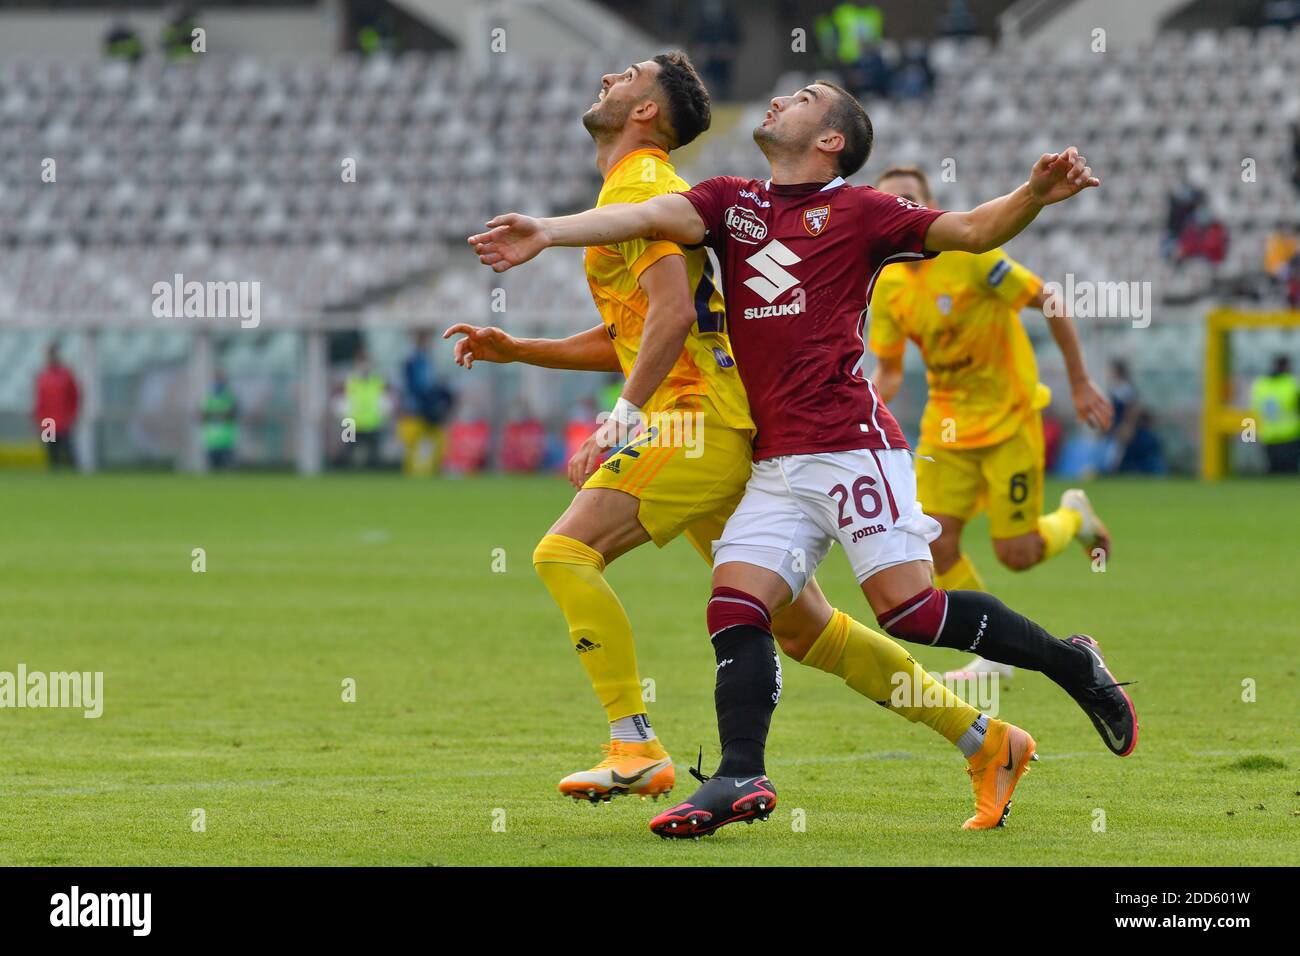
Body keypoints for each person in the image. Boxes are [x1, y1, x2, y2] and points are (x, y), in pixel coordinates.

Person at [472, 79, 1138, 838]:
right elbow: (651, 217)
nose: (783, 98)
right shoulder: (731, 201)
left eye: (807, 96)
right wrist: (548, 231)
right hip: (772, 461)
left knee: (914, 612)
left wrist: (1034, 192)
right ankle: (738, 775)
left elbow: (975, 231)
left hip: (850, 444)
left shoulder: (862, 211)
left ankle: (1069, 662)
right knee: (735, 606)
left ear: (832, 141)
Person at [869, 166, 1114, 681]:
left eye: (911, 199)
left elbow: (1047, 299)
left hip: (1009, 418)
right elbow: (890, 370)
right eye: (891, 202)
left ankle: (1073, 515)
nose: (902, 208)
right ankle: (993, 657)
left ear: (929, 206)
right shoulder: (887, 286)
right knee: (937, 540)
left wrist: (1080, 381)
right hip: (948, 425)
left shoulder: (972, 257)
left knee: (1017, 554)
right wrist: (859, 400)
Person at [397, 330, 455, 476]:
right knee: (417, 446)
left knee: (435, 444)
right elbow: (417, 387)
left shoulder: (428, 360)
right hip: (418, 411)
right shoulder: (413, 361)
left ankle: (430, 471)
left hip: (426, 410)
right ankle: (418, 473)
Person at [1251, 355, 1300, 474]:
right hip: (1290, 435)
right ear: (1286, 366)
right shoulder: (1291, 384)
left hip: (1268, 435)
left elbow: (1255, 410)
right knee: (1289, 473)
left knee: (1274, 473)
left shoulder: (1260, 385)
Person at [33, 345, 80, 470]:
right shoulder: (43, 377)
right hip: (48, 422)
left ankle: (73, 474)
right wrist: (38, 419)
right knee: (52, 452)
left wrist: (73, 415)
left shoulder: (66, 375)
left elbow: (75, 396)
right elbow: (39, 401)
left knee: (67, 449)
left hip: (64, 420)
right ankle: (55, 477)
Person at [344, 350, 388, 469]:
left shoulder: (377, 380)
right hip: (352, 423)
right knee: (347, 457)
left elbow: (383, 400)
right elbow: (345, 401)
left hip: (372, 422)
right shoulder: (351, 379)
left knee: (374, 459)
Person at [201, 369, 239, 470]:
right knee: (213, 470)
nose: (218, 382)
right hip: (211, 440)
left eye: (220, 379)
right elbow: (201, 415)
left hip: (227, 440)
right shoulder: (208, 397)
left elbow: (233, 414)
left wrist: (213, 415)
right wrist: (220, 414)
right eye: (216, 379)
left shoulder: (230, 397)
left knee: (227, 469)